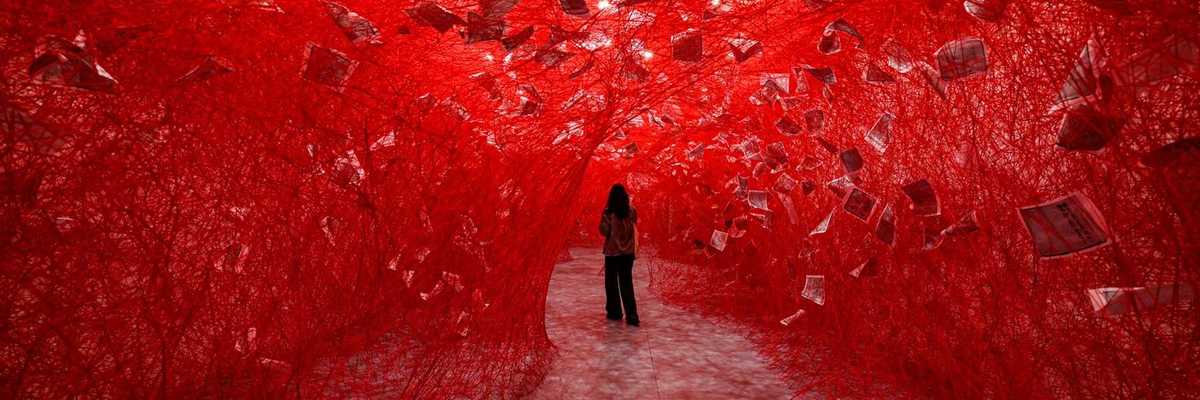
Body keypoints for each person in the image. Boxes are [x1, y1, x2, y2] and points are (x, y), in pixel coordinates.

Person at [599, 183, 639, 326]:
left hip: (612, 252)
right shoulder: (632, 211)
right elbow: (634, 227)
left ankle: (614, 312)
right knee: (626, 283)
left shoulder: (609, 212)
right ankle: (632, 315)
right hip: (627, 253)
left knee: (611, 283)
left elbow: (604, 232)